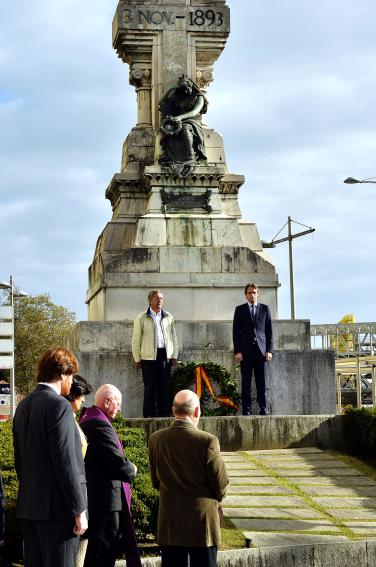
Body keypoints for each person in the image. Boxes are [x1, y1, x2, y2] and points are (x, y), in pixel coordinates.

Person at [12, 348, 87, 567]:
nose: (72, 383)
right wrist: (79, 509)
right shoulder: (59, 406)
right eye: (71, 376)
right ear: (62, 373)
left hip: (30, 507)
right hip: (58, 513)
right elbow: (67, 462)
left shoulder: (23, 406)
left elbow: (20, 461)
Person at [148, 389, 229, 567]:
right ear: (197, 411)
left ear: (173, 410)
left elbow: (155, 481)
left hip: (170, 521)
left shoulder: (155, 439)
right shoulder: (208, 441)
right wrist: (219, 499)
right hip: (202, 522)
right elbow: (221, 482)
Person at [79, 384, 141, 567]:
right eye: (118, 403)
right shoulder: (99, 425)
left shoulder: (90, 419)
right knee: (103, 552)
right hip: (105, 502)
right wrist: (133, 469)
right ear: (107, 402)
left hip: (100, 498)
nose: (120, 409)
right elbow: (116, 461)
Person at [132, 290, 178, 418]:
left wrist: (174, 354)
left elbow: (174, 337)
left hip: (165, 356)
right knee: (150, 388)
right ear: (150, 300)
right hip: (148, 357)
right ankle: (148, 416)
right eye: (157, 298)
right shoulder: (141, 318)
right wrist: (137, 358)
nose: (159, 301)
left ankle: (164, 415)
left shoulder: (168, 316)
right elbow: (136, 340)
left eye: (161, 299)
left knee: (164, 387)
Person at [233, 283, 274, 415]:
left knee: (261, 382)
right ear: (246, 295)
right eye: (250, 293)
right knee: (246, 382)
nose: (252, 295)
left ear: (258, 294)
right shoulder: (240, 310)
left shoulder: (265, 309)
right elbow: (235, 332)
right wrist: (237, 351)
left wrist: (269, 350)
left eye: (254, 292)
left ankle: (263, 407)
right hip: (245, 352)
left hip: (261, 351)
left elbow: (269, 332)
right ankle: (247, 409)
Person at [159, 74, 208, 178]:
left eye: (187, 88)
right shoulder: (178, 98)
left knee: (186, 128)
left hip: (193, 122)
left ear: (191, 86)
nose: (186, 91)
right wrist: (170, 90)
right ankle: (172, 158)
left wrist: (180, 117)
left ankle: (190, 159)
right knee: (168, 130)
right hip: (178, 122)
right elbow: (162, 103)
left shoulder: (199, 97)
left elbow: (195, 112)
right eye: (183, 89)